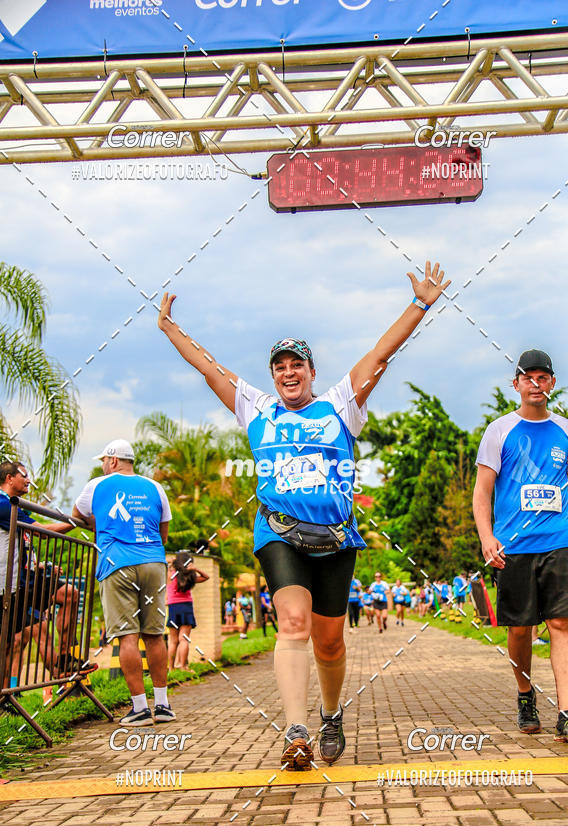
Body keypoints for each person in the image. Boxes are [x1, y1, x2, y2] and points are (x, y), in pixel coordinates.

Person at [158, 259, 450, 768]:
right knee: (292, 622)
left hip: (335, 538)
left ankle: (331, 713)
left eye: (297, 365)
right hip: (279, 531)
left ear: (312, 372)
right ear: (273, 376)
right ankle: (296, 730)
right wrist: (169, 328)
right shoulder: (256, 408)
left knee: (330, 642)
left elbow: (382, 352)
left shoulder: (340, 404)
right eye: (280, 367)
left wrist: (420, 303)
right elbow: (208, 366)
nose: (288, 373)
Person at [473, 349, 568, 743]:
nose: (535, 384)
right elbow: (482, 492)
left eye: (543, 377)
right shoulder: (500, 430)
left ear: (551, 383)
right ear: (517, 384)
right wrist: (487, 537)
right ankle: (526, 697)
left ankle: (567, 713)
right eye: (528, 377)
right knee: (521, 628)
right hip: (515, 545)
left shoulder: (566, 429)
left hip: (559, 541)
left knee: (561, 622)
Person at [72, 439, 174, 727]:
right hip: (153, 562)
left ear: (113, 460)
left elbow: (77, 516)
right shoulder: (155, 487)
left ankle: (140, 709)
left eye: (104, 460)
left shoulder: (97, 485)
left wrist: (102, 524)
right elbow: (163, 532)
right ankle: (163, 705)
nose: (102, 465)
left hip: (117, 563)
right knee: (154, 634)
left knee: (127, 636)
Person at [0, 461, 90, 685]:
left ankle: (64, 658)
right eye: (24, 475)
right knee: (10, 642)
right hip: (8, 585)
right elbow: (40, 531)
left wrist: (37, 564)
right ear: (9, 478)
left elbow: (21, 542)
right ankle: (6, 697)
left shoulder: (15, 505)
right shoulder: (3, 504)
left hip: (26, 577)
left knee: (68, 593)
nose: (29, 480)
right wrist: (74, 522)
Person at [166, 551, 208, 669]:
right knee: (184, 639)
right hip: (186, 607)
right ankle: (184, 666)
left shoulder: (171, 575)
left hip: (173, 607)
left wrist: (173, 561)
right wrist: (195, 569)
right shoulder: (190, 577)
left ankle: (171, 668)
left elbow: (164, 563)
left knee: (173, 641)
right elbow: (206, 577)